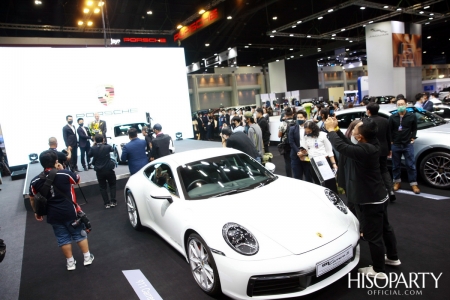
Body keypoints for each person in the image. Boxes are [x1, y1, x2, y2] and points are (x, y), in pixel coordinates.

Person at [325, 117, 400, 279]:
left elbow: (342, 147)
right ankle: (393, 257)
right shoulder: (371, 145)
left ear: (360, 137)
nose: (352, 132)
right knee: (385, 228)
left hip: (369, 200)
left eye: (355, 131)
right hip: (379, 195)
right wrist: (337, 130)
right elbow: (349, 146)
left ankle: (378, 270)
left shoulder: (365, 150)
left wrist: (331, 131)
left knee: (373, 236)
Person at [29, 150, 94, 271]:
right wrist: (62, 168)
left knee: (62, 238)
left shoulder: (35, 181)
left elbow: (32, 199)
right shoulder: (65, 174)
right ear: (56, 161)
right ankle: (87, 258)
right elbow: (77, 180)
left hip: (53, 215)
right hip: (70, 211)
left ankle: (70, 263)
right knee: (79, 234)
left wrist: (36, 212)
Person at [388, 99, 420, 194]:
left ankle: (413, 183)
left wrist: (413, 137)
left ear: (406, 105)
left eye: (402, 104)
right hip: (396, 144)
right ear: (396, 106)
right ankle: (397, 182)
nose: (400, 106)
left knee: (411, 165)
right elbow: (389, 130)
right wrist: (391, 141)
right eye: (398, 104)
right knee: (395, 165)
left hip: (407, 144)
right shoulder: (392, 117)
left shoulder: (412, 116)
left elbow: (414, 128)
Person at [366, 103, 396, 202]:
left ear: (369, 111)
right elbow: (389, 136)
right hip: (383, 148)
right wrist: (389, 149)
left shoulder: (367, 121)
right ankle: (391, 190)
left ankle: (378, 193)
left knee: (372, 171)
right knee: (384, 169)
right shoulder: (385, 121)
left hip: (372, 149)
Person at [88, 134, 117, 208]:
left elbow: (89, 155)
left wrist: (94, 145)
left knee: (102, 187)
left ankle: (106, 203)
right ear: (103, 139)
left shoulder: (93, 148)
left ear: (95, 140)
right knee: (112, 185)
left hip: (99, 171)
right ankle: (113, 201)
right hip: (109, 169)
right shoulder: (107, 147)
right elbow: (112, 150)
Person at [289, 111, 312, 182]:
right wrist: (299, 152)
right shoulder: (292, 128)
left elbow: (312, 142)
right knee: (297, 178)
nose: (299, 119)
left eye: (301, 117)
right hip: (296, 156)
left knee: (309, 177)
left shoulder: (310, 128)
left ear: (305, 118)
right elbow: (291, 142)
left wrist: (305, 153)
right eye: (298, 117)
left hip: (307, 156)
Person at [278, 107, 296, 177]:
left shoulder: (283, 124)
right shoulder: (296, 122)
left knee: (287, 162)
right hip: (295, 144)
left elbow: (279, 135)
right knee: (295, 161)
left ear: (285, 115)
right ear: (293, 115)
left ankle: (289, 176)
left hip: (286, 145)